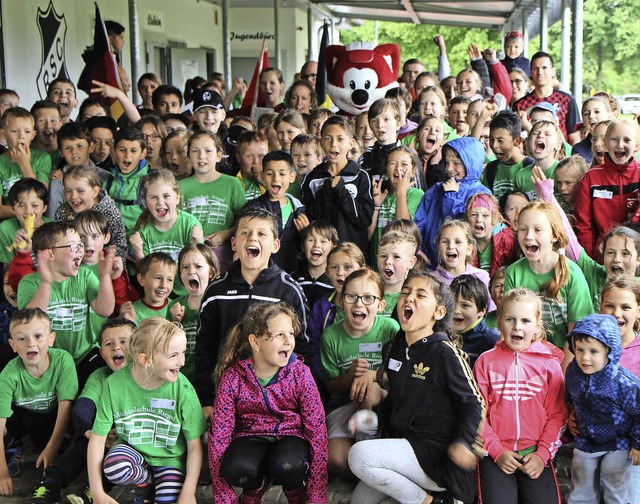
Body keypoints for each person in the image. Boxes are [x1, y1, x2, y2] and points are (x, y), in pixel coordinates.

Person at [348, 271, 484, 503]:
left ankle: (431, 501)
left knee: (359, 456)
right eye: (406, 292)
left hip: (438, 456)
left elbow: (474, 402)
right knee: (360, 500)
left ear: (438, 312)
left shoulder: (445, 352)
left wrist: (464, 442)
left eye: (420, 295)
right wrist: (371, 419)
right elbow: (396, 401)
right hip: (409, 449)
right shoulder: (398, 349)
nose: (409, 298)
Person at [195, 207, 311, 419]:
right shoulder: (216, 291)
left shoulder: (289, 290)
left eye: (261, 233)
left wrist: (300, 402)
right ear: (233, 243)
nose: (252, 238)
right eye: (245, 232)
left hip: (278, 404)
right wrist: (205, 400)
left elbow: (304, 351)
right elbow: (204, 350)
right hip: (226, 401)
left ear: (275, 245)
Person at [209, 302, 327, 503]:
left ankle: (295, 489)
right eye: (279, 334)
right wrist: (223, 494)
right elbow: (220, 434)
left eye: (290, 334)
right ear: (255, 342)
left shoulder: (301, 374)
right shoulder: (233, 378)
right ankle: (256, 486)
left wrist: (316, 493)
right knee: (238, 468)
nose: (288, 341)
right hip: (249, 436)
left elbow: (316, 430)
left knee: (290, 466)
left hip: (290, 436)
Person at [87, 318, 206, 504]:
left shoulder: (183, 388)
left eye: (182, 353)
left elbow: (194, 445)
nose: (182, 361)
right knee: (114, 467)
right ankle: (146, 483)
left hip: (170, 459)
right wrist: (98, 493)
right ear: (144, 359)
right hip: (133, 453)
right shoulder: (114, 384)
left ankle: (154, 490)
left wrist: (188, 493)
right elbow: (97, 439)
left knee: (167, 499)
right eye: (173, 355)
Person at [474, 288, 567, 503]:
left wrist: (542, 454)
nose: (517, 326)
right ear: (498, 323)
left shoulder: (550, 365)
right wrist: (497, 451)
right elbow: (477, 413)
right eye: (510, 319)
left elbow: (557, 415)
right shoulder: (485, 362)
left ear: (537, 327)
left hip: (535, 454)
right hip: (495, 454)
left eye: (525, 321)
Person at [32, 318, 135, 503]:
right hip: (98, 434)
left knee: (115, 459)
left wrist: (121, 437)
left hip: (132, 440)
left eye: (124, 342)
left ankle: (91, 491)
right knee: (80, 445)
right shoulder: (100, 375)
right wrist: (92, 433)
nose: (116, 348)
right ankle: (50, 484)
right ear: (102, 353)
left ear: (138, 345)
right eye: (109, 344)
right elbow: (82, 408)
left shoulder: (148, 376)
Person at [321, 268, 399, 476]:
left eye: (368, 298)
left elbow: (400, 373)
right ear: (341, 301)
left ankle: (367, 447)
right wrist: (351, 376)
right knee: (336, 462)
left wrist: (373, 375)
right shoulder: (331, 336)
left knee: (368, 388)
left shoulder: (390, 328)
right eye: (351, 296)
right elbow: (330, 385)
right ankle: (363, 468)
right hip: (343, 405)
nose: (359, 304)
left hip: (381, 401)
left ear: (381, 304)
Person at [17, 222, 116, 385]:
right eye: (72, 246)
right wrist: (46, 284)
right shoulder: (30, 283)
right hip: (48, 359)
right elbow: (31, 323)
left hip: (85, 354)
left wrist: (105, 276)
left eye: (80, 245)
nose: (80, 250)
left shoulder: (85, 276)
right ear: (49, 254)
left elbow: (105, 310)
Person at [503, 201, 593, 367]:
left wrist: (562, 376)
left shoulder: (572, 274)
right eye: (523, 229)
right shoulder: (513, 273)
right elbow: (507, 326)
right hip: (526, 358)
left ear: (554, 235)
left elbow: (576, 336)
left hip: (566, 359)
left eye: (537, 230)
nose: (529, 236)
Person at [0, 308, 77, 498]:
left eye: (38, 336)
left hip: (53, 416)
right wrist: (2, 473)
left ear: (51, 339)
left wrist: (51, 447)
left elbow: (66, 407)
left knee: (62, 434)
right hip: (24, 417)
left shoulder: (63, 360)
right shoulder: (9, 374)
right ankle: (12, 444)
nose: (30, 344)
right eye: (22, 339)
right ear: (13, 345)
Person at [565, 314, 640, 503]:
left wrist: (638, 444)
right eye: (580, 350)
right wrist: (570, 414)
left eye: (594, 351)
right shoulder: (574, 373)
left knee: (615, 484)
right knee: (581, 486)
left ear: (610, 351)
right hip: (586, 440)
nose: (585, 358)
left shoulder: (624, 383)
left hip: (618, 443)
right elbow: (570, 399)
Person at [301, 115, 375, 255]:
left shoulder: (360, 176)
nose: (334, 144)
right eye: (328, 139)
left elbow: (364, 219)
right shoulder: (313, 178)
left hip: (352, 254)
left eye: (340, 139)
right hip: (321, 255)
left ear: (351, 143)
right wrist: (327, 190)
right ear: (321, 142)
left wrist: (341, 190)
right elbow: (311, 219)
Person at [414, 136, 491, 268]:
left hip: (462, 266)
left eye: (456, 163)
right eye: (447, 162)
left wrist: (452, 197)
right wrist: (418, 250)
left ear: (471, 163)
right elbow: (419, 222)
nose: (449, 169)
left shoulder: (481, 194)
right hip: (430, 265)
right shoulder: (437, 190)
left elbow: (467, 227)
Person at [179, 131, 245, 272]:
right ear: (188, 156)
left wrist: (225, 234)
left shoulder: (232, 184)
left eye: (208, 151)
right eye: (195, 151)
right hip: (190, 255)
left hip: (223, 254)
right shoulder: (180, 187)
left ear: (219, 155)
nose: (201, 156)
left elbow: (244, 221)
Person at [575, 119, 640, 259]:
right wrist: (590, 259)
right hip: (602, 256)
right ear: (605, 144)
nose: (620, 145)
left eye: (627, 140)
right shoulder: (590, 178)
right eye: (614, 140)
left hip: (636, 255)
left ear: (637, 145)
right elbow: (584, 225)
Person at [601, 275, 640, 501]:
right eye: (610, 306)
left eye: (625, 307)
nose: (617, 313)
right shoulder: (591, 347)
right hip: (597, 445)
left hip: (631, 451)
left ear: (638, 311)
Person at [242, 151, 305, 273]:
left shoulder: (300, 211)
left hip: (292, 274)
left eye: (282, 174)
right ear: (262, 175)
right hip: (260, 273)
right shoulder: (252, 209)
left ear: (292, 176)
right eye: (270, 174)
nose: (276, 179)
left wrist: (306, 233)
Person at [309, 242, 366, 375]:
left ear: (362, 270)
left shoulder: (371, 304)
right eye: (334, 267)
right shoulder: (320, 307)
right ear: (327, 271)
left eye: (348, 267)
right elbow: (315, 347)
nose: (340, 273)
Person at [130, 169, 203, 270]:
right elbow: (143, 272)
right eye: (153, 197)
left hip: (183, 285)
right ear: (146, 201)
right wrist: (138, 251)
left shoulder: (190, 224)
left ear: (177, 197)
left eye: (166, 196)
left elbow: (198, 267)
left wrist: (197, 243)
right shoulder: (143, 230)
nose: (160, 202)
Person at [168, 244, 219, 385]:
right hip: (182, 379)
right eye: (185, 267)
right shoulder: (174, 306)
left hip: (212, 380)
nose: (191, 271)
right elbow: (166, 347)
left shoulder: (218, 304)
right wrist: (174, 322)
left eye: (198, 266)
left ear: (211, 272)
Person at [55, 166, 128, 262]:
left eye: (80, 191)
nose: (73, 196)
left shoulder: (109, 212)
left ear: (95, 191)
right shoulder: (63, 212)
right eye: (68, 191)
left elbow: (119, 246)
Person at [513, 52, 580, 141]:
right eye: (536, 68)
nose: (540, 72)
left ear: (553, 71)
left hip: (562, 152)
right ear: (531, 72)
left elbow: (574, 137)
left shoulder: (567, 100)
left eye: (544, 68)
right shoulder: (520, 105)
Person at [0, 107, 51, 219]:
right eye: (14, 131)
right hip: (7, 223)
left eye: (27, 132)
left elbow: (40, 199)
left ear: (33, 135)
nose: (21, 136)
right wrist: (25, 211)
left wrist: (24, 165)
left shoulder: (42, 158)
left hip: (36, 221)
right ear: (3, 134)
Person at [433, 219, 495, 311]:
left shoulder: (481, 277)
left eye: (458, 242)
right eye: (445, 241)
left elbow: (489, 314)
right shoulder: (431, 279)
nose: (451, 246)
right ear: (438, 248)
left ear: (469, 249)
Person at [103, 127, 150, 236]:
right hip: (112, 243)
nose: (127, 155)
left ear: (143, 153)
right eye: (122, 150)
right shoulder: (109, 182)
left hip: (139, 245)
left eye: (133, 151)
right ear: (114, 152)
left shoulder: (150, 182)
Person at [481, 110, 533, 199]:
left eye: (500, 141)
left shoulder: (530, 167)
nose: (494, 146)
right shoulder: (490, 170)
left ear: (517, 141)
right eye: (491, 139)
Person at [450, 274, 499, 367]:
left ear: (482, 311)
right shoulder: (441, 334)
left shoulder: (491, 341)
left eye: (465, 305)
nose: (456, 310)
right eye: (452, 303)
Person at [465, 193, 517, 275]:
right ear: (467, 219)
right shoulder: (463, 242)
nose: (479, 220)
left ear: (494, 219)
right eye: (473, 215)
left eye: (485, 215)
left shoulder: (507, 240)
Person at [0, 179, 48, 267]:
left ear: (44, 208)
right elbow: (8, 270)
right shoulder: (5, 229)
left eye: (34, 205)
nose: (28, 211)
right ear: (13, 208)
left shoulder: (55, 228)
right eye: (21, 206)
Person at [120, 253, 176, 325]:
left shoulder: (176, 308)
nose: (164, 285)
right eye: (158, 278)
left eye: (170, 280)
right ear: (141, 279)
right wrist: (128, 323)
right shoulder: (131, 312)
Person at [294, 220, 338, 310]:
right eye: (311, 240)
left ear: (334, 248)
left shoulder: (336, 283)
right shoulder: (293, 281)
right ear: (303, 246)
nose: (316, 245)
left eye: (323, 241)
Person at [376, 230, 418, 318]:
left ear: (411, 262)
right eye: (383, 256)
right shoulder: (368, 292)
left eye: (396, 257)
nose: (388, 262)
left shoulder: (412, 299)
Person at [361, 98, 402, 178]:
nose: (380, 125)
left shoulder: (408, 157)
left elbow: (419, 189)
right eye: (374, 121)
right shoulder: (366, 157)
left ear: (398, 124)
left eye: (386, 119)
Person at [571, 95, 613, 164]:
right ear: (583, 121)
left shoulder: (620, 142)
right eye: (586, 114)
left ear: (609, 115)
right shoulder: (578, 150)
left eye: (597, 112)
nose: (591, 116)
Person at [415, 116, 447, 189]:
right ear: (417, 136)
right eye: (427, 129)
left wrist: (434, 165)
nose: (432, 132)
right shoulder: (408, 157)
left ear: (443, 140)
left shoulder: (446, 163)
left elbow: (440, 190)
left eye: (437, 130)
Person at [235, 130, 267, 202]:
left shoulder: (273, 180)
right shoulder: (233, 183)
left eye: (261, 156)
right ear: (238, 157)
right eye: (249, 156)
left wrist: (263, 181)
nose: (255, 161)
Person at [290, 133, 324, 198]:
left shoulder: (322, 185)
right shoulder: (286, 189)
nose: (301, 159)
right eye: (296, 155)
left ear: (319, 159)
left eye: (307, 155)